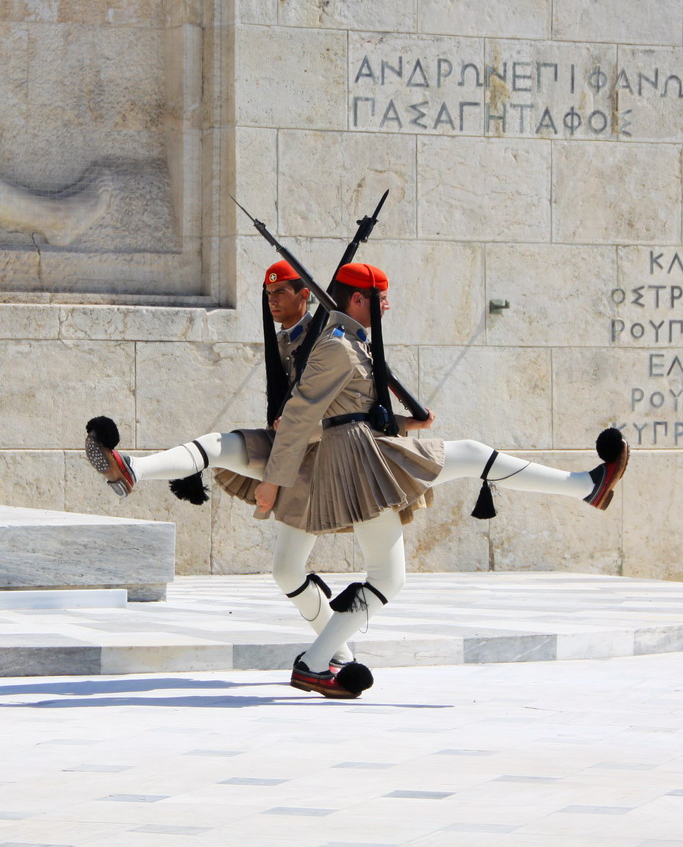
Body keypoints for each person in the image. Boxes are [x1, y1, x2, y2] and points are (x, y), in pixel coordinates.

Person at [253, 262, 630, 700]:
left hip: (364, 448)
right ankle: (315, 665)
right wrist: (273, 481)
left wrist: (406, 424)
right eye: (382, 297)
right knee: (388, 576)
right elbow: (301, 413)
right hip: (357, 461)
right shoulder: (336, 345)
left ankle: (587, 485)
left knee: (468, 456)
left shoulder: (351, 341)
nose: (388, 305)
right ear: (358, 299)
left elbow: (348, 409)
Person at [84, 260, 355, 669]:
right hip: (289, 451)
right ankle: (132, 468)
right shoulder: (290, 340)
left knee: (310, 570)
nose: (273, 301)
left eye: (281, 293)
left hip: (323, 460)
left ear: (306, 296)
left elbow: (345, 409)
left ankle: (338, 655)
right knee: (284, 567)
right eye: (268, 295)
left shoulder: (332, 343)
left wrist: (303, 424)